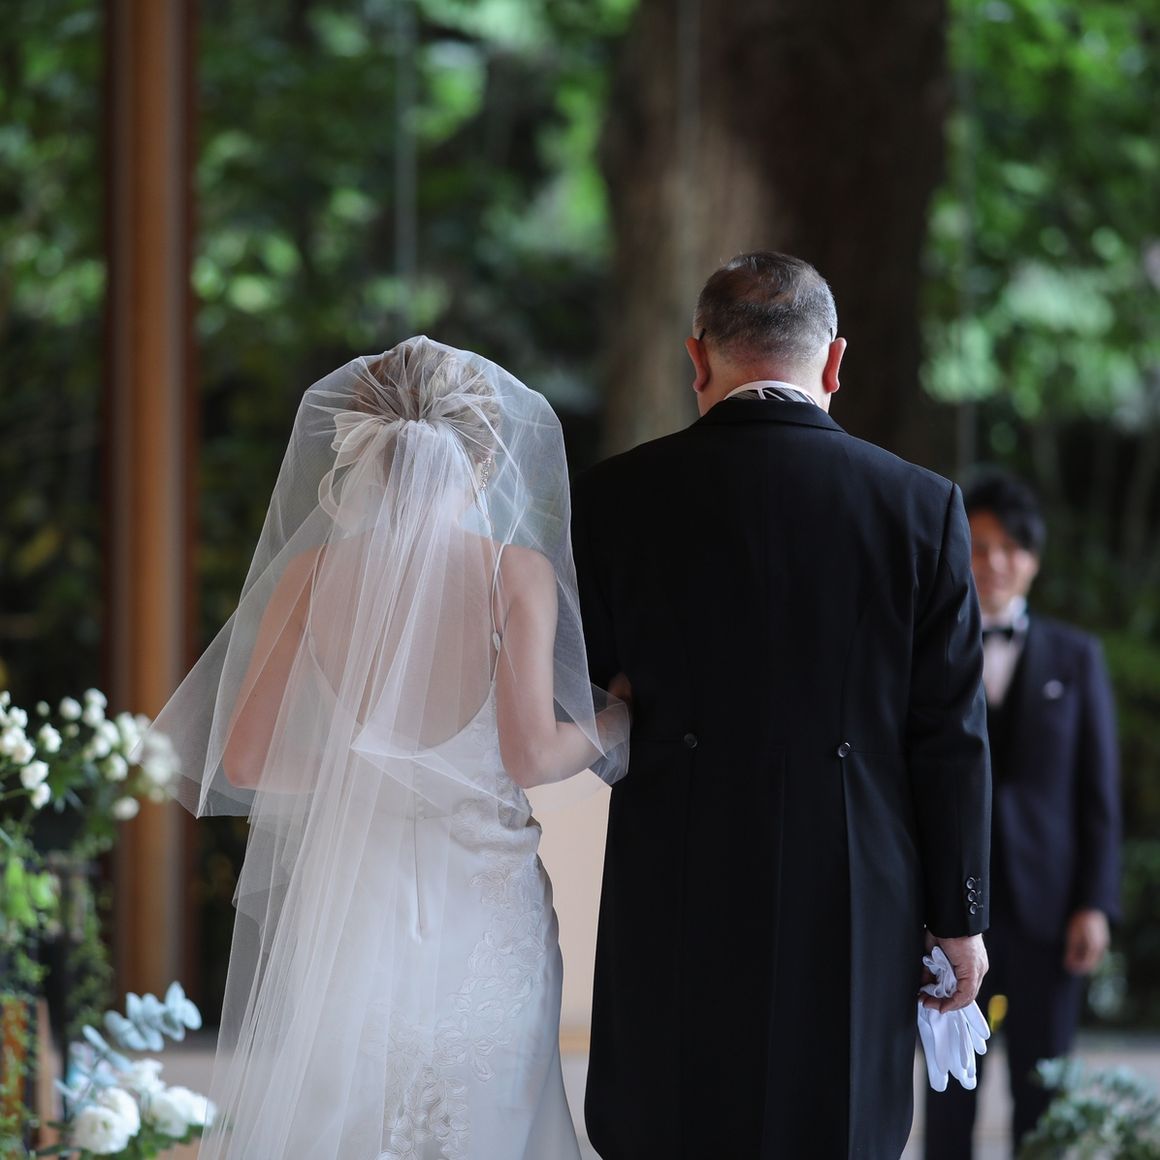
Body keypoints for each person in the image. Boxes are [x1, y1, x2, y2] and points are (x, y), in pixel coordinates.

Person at [146, 337, 630, 1160]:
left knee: (347, 1120)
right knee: (488, 1116)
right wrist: (614, 720)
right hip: (484, 898)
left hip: (350, 901)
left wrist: (358, 769)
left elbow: (247, 763)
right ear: (486, 461)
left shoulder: (310, 576)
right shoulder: (514, 575)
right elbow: (532, 757)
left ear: (362, 453)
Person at [570, 251, 992, 1159]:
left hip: (676, 872)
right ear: (834, 362)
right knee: (834, 1125)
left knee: (674, 1124)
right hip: (855, 885)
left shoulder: (611, 498)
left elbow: (587, 696)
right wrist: (960, 918)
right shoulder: (922, 507)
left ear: (697, 359)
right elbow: (950, 734)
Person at [924, 470, 1121, 1159]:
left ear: (1033, 559)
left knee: (1043, 1086)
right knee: (948, 1088)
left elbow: (1098, 794)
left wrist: (1095, 904)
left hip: (1049, 910)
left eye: (1010, 547)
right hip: (951, 910)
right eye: (978, 546)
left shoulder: (1078, 657)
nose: (994, 562)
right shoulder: (928, 649)